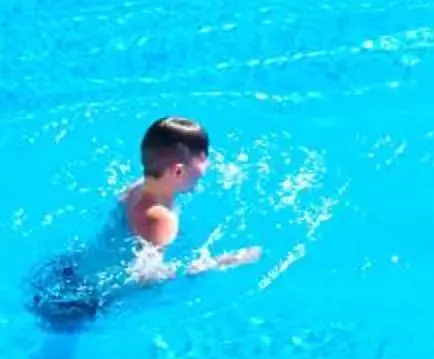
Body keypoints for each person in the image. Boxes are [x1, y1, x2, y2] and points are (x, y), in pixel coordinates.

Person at [27, 116, 261, 325]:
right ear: (178, 171)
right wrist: (219, 262)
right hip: (84, 302)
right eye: (203, 161)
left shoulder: (136, 188)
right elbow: (146, 277)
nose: (207, 167)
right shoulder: (161, 219)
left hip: (67, 271)